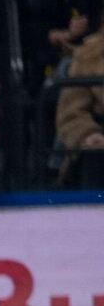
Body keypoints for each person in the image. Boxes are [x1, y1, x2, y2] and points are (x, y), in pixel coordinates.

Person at [55, 12, 104, 188]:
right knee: (94, 154)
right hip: (100, 142)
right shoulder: (89, 54)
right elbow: (70, 113)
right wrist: (89, 134)